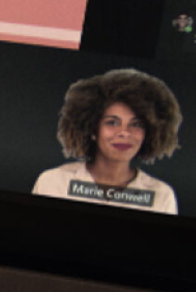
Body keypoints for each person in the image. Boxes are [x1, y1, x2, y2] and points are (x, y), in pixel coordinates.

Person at [30, 69, 181, 214]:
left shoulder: (161, 196)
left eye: (136, 124)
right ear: (92, 128)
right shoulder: (53, 182)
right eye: (112, 122)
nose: (124, 133)